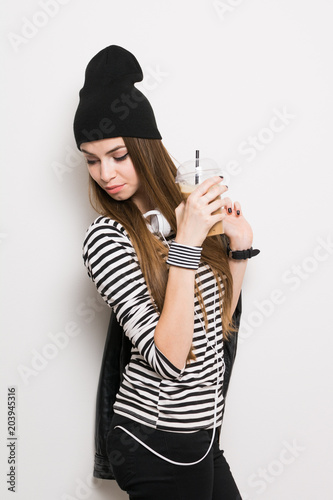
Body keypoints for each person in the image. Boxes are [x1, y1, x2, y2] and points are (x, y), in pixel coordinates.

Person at [73, 45, 259, 500]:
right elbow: (170, 360)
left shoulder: (184, 211)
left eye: (117, 154)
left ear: (145, 146)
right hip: (155, 440)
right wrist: (188, 245)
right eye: (92, 159)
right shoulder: (107, 237)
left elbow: (217, 324)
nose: (105, 173)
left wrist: (237, 249)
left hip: (204, 434)